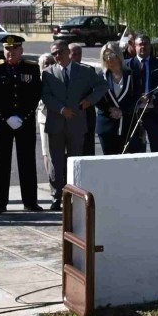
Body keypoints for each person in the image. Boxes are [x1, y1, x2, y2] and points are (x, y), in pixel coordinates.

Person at [0, 34, 44, 213]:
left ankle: (30, 202)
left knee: (27, 162)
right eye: (7, 49)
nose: (10, 52)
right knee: (1, 162)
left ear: (21, 50)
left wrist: (24, 116)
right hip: (3, 122)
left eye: (14, 49)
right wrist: (6, 117)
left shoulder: (31, 68)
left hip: (24, 121)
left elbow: (35, 95)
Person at [41, 40, 100, 208]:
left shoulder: (85, 71)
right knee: (56, 162)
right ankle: (56, 195)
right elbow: (46, 96)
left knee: (75, 160)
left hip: (76, 122)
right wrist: (61, 109)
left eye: (60, 52)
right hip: (56, 123)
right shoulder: (48, 73)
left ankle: (76, 194)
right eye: (54, 54)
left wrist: (89, 101)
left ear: (68, 52)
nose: (57, 56)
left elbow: (101, 86)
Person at [126, 35, 158, 153]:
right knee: (136, 148)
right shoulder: (127, 65)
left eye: (145, 44)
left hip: (155, 112)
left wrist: (154, 96)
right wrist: (138, 99)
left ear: (150, 46)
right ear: (135, 47)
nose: (143, 46)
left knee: (157, 147)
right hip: (135, 113)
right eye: (140, 44)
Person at [94, 44, 140, 157]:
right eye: (105, 56)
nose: (109, 59)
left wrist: (122, 111)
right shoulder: (101, 76)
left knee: (127, 161)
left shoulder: (132, 75)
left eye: (111, 55)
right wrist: (110, 109)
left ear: (119, 55)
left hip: (127, 125)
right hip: (106, 127)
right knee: (110, 162)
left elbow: (137, 97)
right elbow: (96, 98)